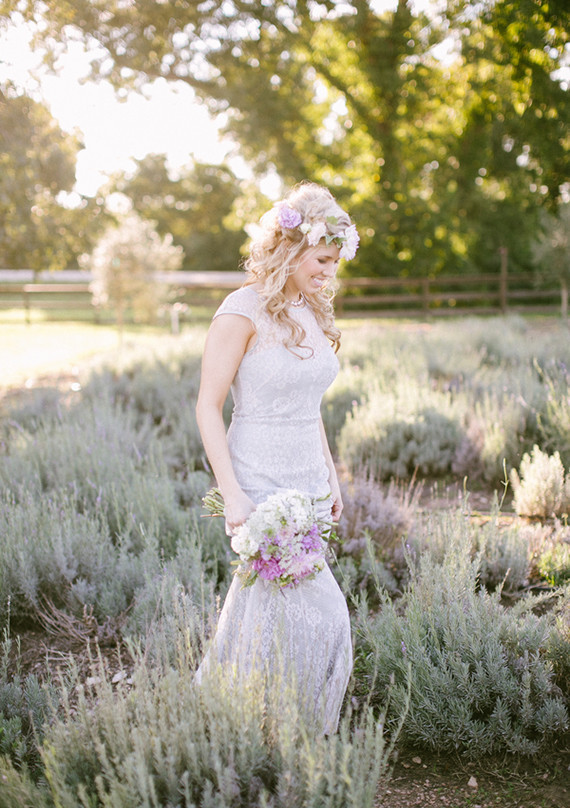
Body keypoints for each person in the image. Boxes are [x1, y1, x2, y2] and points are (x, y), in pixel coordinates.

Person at [194, 181, 358, 734]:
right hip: (259, 480)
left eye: (335, 261)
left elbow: (308, 406)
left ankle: (250, 726)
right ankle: (292, 731)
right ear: (290, 249)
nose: (329, 272)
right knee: (322, 613)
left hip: (308, 480)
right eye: (321, 259)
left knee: (267, 612)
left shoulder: (310, 309)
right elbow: (207, 406)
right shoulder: (240, 312)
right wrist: (233, 493)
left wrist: (332, 477)